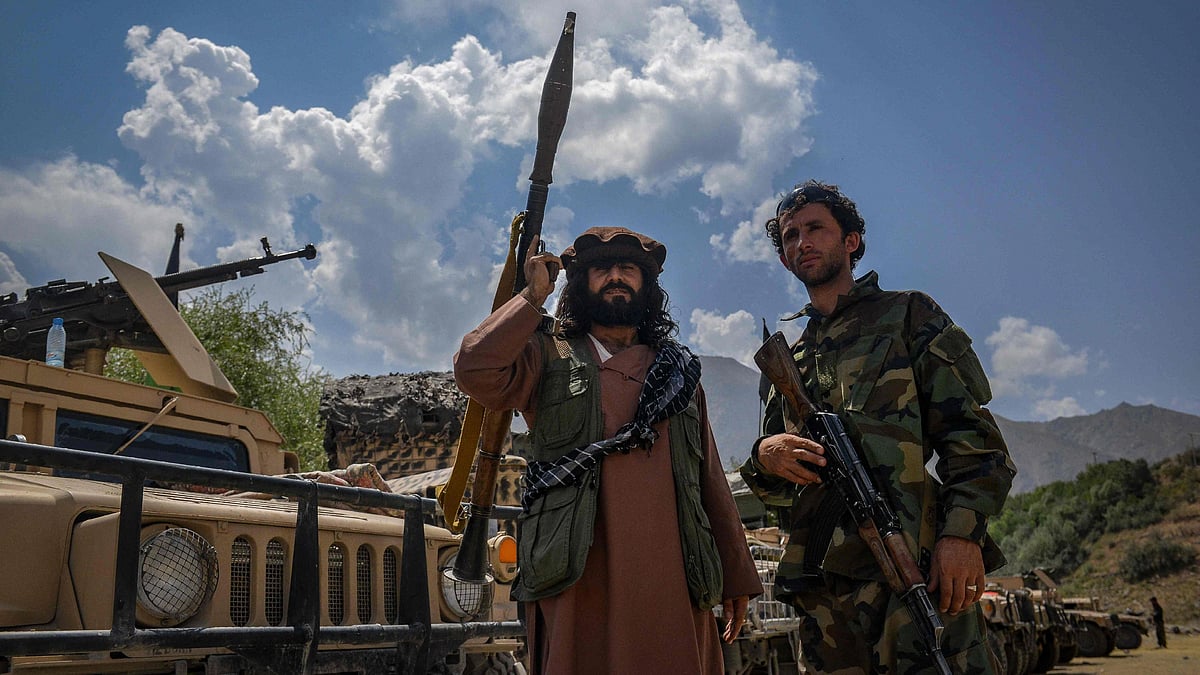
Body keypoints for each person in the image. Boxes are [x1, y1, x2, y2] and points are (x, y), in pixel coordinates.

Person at [454, 226, 762, 675]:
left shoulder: (678, 374)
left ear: (646, 285)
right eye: (601, 269)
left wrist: (736, 575)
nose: (615, 277)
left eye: (628, 269)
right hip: (578, 571)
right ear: (581, 283)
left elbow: (709, 478)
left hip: (673, 575)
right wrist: (530, 299)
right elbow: (475, 368)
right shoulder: (546, 355)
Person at [740, 180, 1017, 674]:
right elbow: (777, 493)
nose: (802, 243)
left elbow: (973, 439)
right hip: (823, 596)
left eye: (816, 229)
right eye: (790, 236)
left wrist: (962, 537)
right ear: (783, 259)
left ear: (851, 241)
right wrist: (765, 456)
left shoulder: (907, 315)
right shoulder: (786, 362)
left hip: (914, 568)